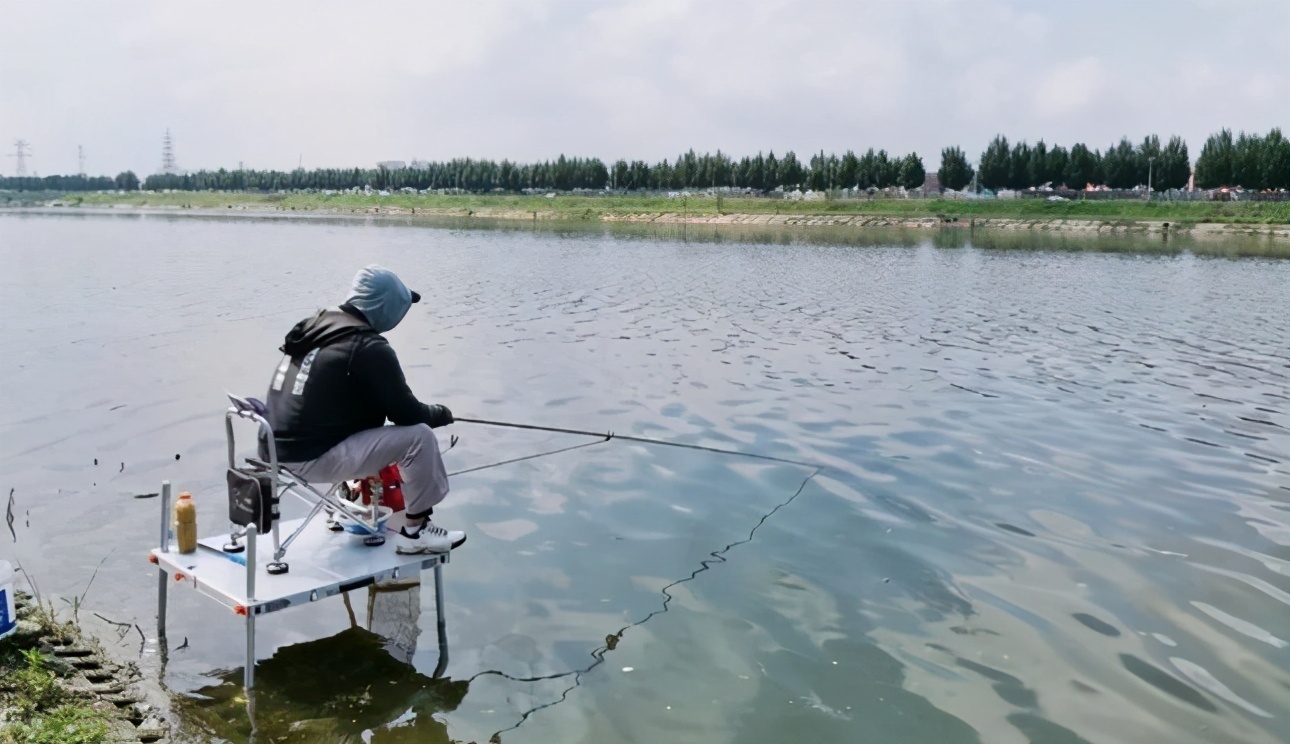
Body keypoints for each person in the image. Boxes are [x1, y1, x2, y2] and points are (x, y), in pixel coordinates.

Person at [263, 265, 465, 553]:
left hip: (271, 450)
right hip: (308, 458)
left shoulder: (315, 328)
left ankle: (347, 505)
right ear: (386, 306)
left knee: (378, 426)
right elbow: (408, 414)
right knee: (420, 436)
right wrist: (441, 414)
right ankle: (416, 533)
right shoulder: (368, 347)